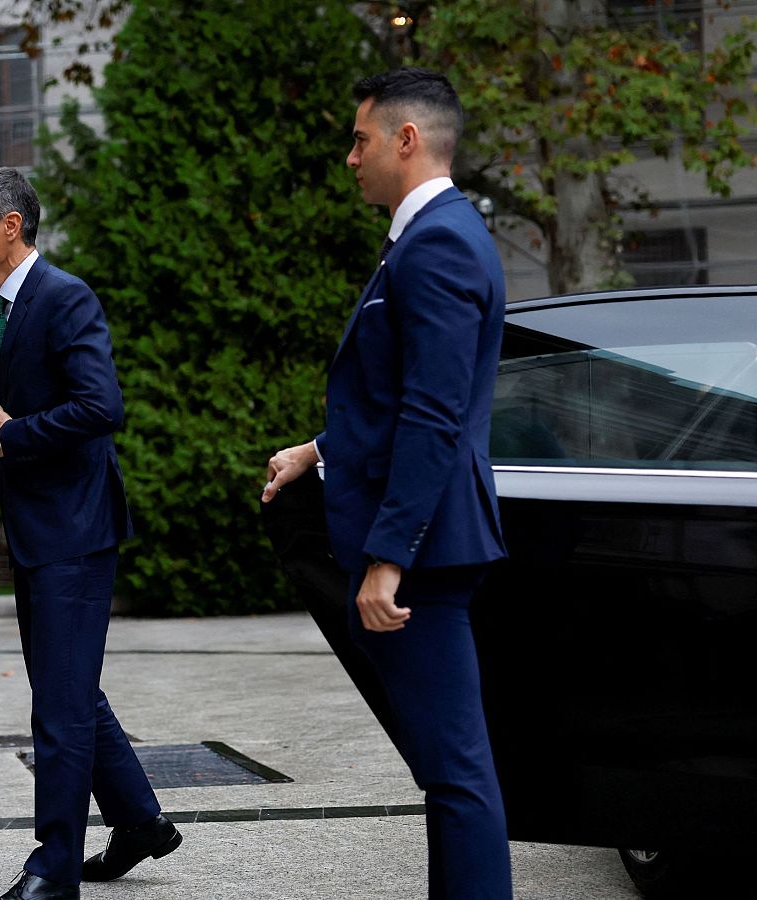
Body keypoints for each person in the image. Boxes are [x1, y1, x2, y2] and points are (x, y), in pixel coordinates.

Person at [262, 68, 512, 899]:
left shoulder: (437, 240)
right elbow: (402, 396)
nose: (349, 157)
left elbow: (434, 415)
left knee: (456, 775)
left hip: (425, 555)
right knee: (449, 774)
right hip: (427, 544)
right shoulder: (430, 235)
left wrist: (387, 557)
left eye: (360, 138)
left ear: (406, 140)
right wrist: (319, 449)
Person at [0, 168, 179, 900]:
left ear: (10, 227)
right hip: (38, 534)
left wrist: (20, 433)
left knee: (58, 704)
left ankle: (53, 869)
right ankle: (140, 822)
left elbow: (102, 407)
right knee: (70, 690)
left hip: (76, 532)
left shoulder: (66, 298)